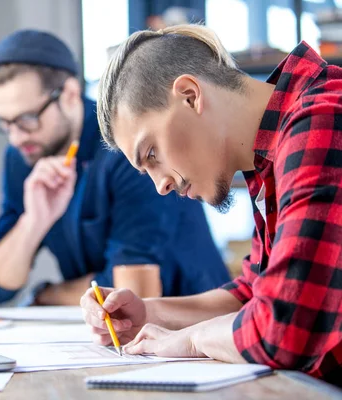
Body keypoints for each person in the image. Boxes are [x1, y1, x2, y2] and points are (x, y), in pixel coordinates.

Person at [81, 24, 341, 385]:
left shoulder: (323, 120)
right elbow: (256, 290)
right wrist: (147, 313)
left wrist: (190, 339)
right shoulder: (274, 149)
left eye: (152, 154)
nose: (161, 186)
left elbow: (285, 327)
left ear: (189, 95)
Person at [0, 29, 230, 306]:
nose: (15, 137)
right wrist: (33, 222)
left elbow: (127, 285)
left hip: (191, 316)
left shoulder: (125, 144)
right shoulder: (23, 154)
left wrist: (46, 295)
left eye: (27, 119)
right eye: (3, 123)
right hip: (102, 328)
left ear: (70, 94)